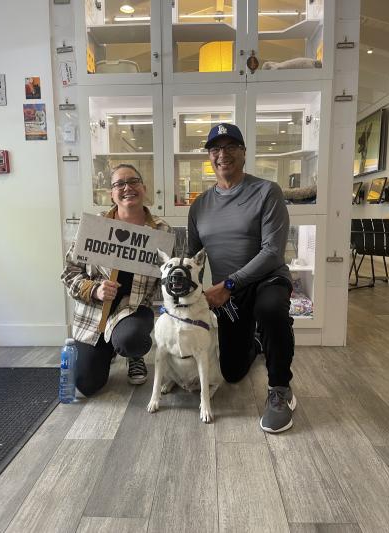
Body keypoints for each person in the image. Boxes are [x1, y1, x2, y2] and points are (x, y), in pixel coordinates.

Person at [188, 123, 296, 433]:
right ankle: (259, 340)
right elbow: (193, 261)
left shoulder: (266, 191)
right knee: (233, 372)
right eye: (215, 149)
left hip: (266, 281)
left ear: (244, 153)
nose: (223, 154)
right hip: (230, 296)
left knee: (270, 309)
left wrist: (230, 284)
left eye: (231, 147)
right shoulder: (199, 207)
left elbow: (273, 252)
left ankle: (280, 391)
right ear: (210, 157)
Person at [61, 164, 171, 396]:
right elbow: (68, 273)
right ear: (111, 193)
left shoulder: (161, 230)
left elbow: (169, 278)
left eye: (133, 181)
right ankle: (107, 348)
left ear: (143, 187)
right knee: (86, 385)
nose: (127, 188)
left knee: (131, 340)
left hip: (132, 310)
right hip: (94, 314)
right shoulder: (94, 226)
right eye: (119, 184)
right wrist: (93, 289)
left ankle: (133, 355)